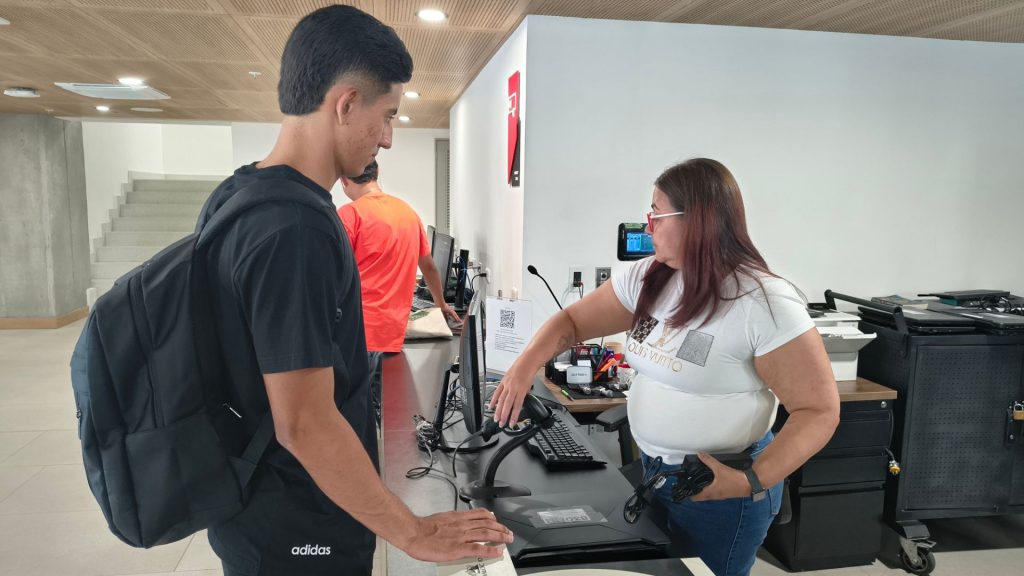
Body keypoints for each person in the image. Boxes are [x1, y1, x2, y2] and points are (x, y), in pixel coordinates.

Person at [194, 6, 510, 575]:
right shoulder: (297, 226)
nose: (387, 139)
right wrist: (411, 531)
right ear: (345, 104)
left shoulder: (237, 194)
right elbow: (305, 422)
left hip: (255, 507)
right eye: (387, 116)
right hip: (298, 524)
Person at [490, 158, 839, 576]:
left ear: (699, 220)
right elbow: (573, 322)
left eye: (657, 213)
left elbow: (818, 411)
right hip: (654, 473)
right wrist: (523, 366)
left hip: (721, 487)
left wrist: (749, 481)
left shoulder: (762, 302)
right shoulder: (649, 277)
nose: (648, 225)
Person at [338, 160, 460, 423]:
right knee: (390, 419)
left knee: (361, 420)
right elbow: (429, 266)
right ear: (378, 173)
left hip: (358, 338)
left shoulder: (350, 215)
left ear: (344, 181)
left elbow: (332, 275)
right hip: (393, 334)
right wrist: (441, 303)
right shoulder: (408, 213)